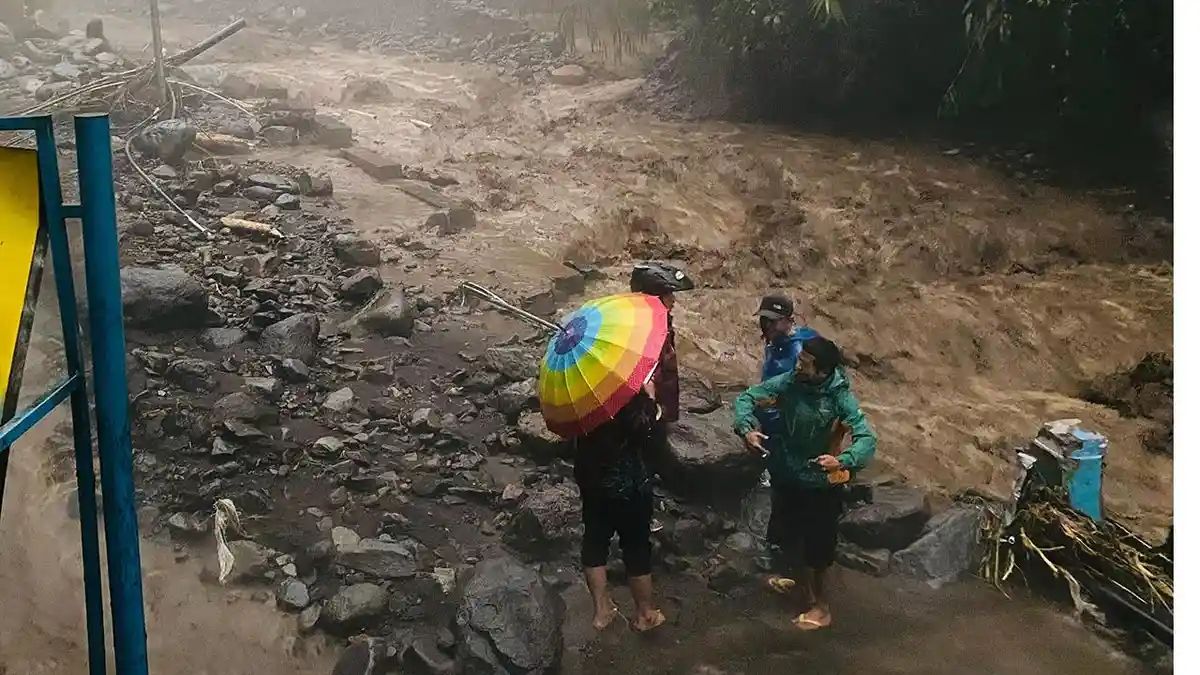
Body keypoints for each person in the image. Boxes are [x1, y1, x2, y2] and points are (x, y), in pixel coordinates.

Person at [732, 336, 876, 631]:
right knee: (788, 536)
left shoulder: (840, 398)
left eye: (805, 363)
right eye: (799, 359)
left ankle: (821, 607)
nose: (797, 365)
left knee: (818, 549)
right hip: (787, 473)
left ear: (822, 371)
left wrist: (844, 460)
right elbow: (747, 398)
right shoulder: (790, 382)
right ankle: (801, 588)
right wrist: (747, 429)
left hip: (821, 483)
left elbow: (867, 439)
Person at [573, 380, 668, 633]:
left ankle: (602, 611)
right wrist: (650, 398)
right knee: (636, 547)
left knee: (595, 541)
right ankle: (645, 613)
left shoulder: (580, 395)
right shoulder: (628, 391)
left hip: (593, 482)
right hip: (631, 487)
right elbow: (649, 434)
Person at [629, 261, 694, 531]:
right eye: (669, 296)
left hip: (659, 402)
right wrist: (652, 404)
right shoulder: (645, 329)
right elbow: (645, 371)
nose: (674, 302)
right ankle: (640, 514)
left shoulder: (660, 321)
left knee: (650, 456)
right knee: (643, 457)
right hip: (646, 407)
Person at [754, 294, 821, 487]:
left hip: (789, 427)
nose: (766, 325)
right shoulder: (776, 342)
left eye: (772, 321)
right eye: (764, 320)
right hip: (772, 422)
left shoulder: (800, 351)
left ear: (788, 321)